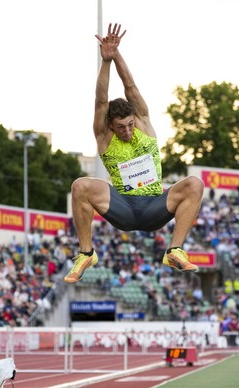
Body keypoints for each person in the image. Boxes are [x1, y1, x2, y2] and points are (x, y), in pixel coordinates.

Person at [64, 23, 205, 284]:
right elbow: (101, 100)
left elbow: (130, 84)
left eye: (129, 124)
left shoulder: (142, 122)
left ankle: (175, 250)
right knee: (80, 185)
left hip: (154, 205)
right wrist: (104, 62)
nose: (127, 131)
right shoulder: (104, 136)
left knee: (195, 184)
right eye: (120, 127)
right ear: (110, 126)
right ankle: (86, 253)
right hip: (123, 207)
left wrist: (116, 54)